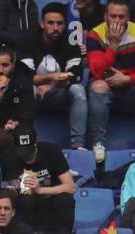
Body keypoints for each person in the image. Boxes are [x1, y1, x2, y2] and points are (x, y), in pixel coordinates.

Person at [85, 0, 135, 149]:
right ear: (105, 16)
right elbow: (97, 71)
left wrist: (127, 79)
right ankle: (98, 143)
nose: (116, 21)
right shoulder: (96, 35)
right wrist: (113, 45)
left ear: (128, 17)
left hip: (132, 91)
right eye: (113, 16)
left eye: (121, 17)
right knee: (98, 86)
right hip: (106, 90)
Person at [20, 2, 89, 151]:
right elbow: (25, 76)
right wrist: (54, 77)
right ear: (42, 24)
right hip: (34, 94)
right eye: (50, 23)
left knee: (78, 91)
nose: (55, 28)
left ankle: (78, 145)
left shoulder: (71, 42)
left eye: (59, 23)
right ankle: (26, 142)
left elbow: (75, 75)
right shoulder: (27, 39)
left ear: (65, 25)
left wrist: (51, 85)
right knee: (27, 89)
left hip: (58, 93)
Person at [0, 127, 78, 234]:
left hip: (52, 200)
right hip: (28, 203)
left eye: (28, 150)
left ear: (37, 141)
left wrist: (40, 190)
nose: (25, 155)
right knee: (24, 200)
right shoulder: (8, 156)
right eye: (21, 151)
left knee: (66, 199)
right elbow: (17, 187)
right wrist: (16, 190)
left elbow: (71, 187)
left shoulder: (51, 150)